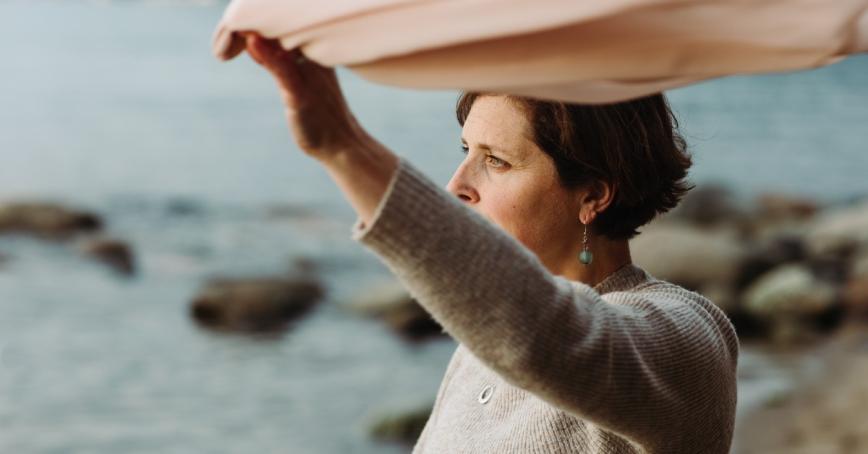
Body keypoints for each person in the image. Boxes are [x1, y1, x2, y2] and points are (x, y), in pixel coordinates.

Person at [240, 33, 739, 454]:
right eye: (466, 151)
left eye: (496, 161)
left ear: (592, 195)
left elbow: (548, 335)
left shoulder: (688, 341)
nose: (456, 185)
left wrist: (343, 145)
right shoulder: (479, 350)